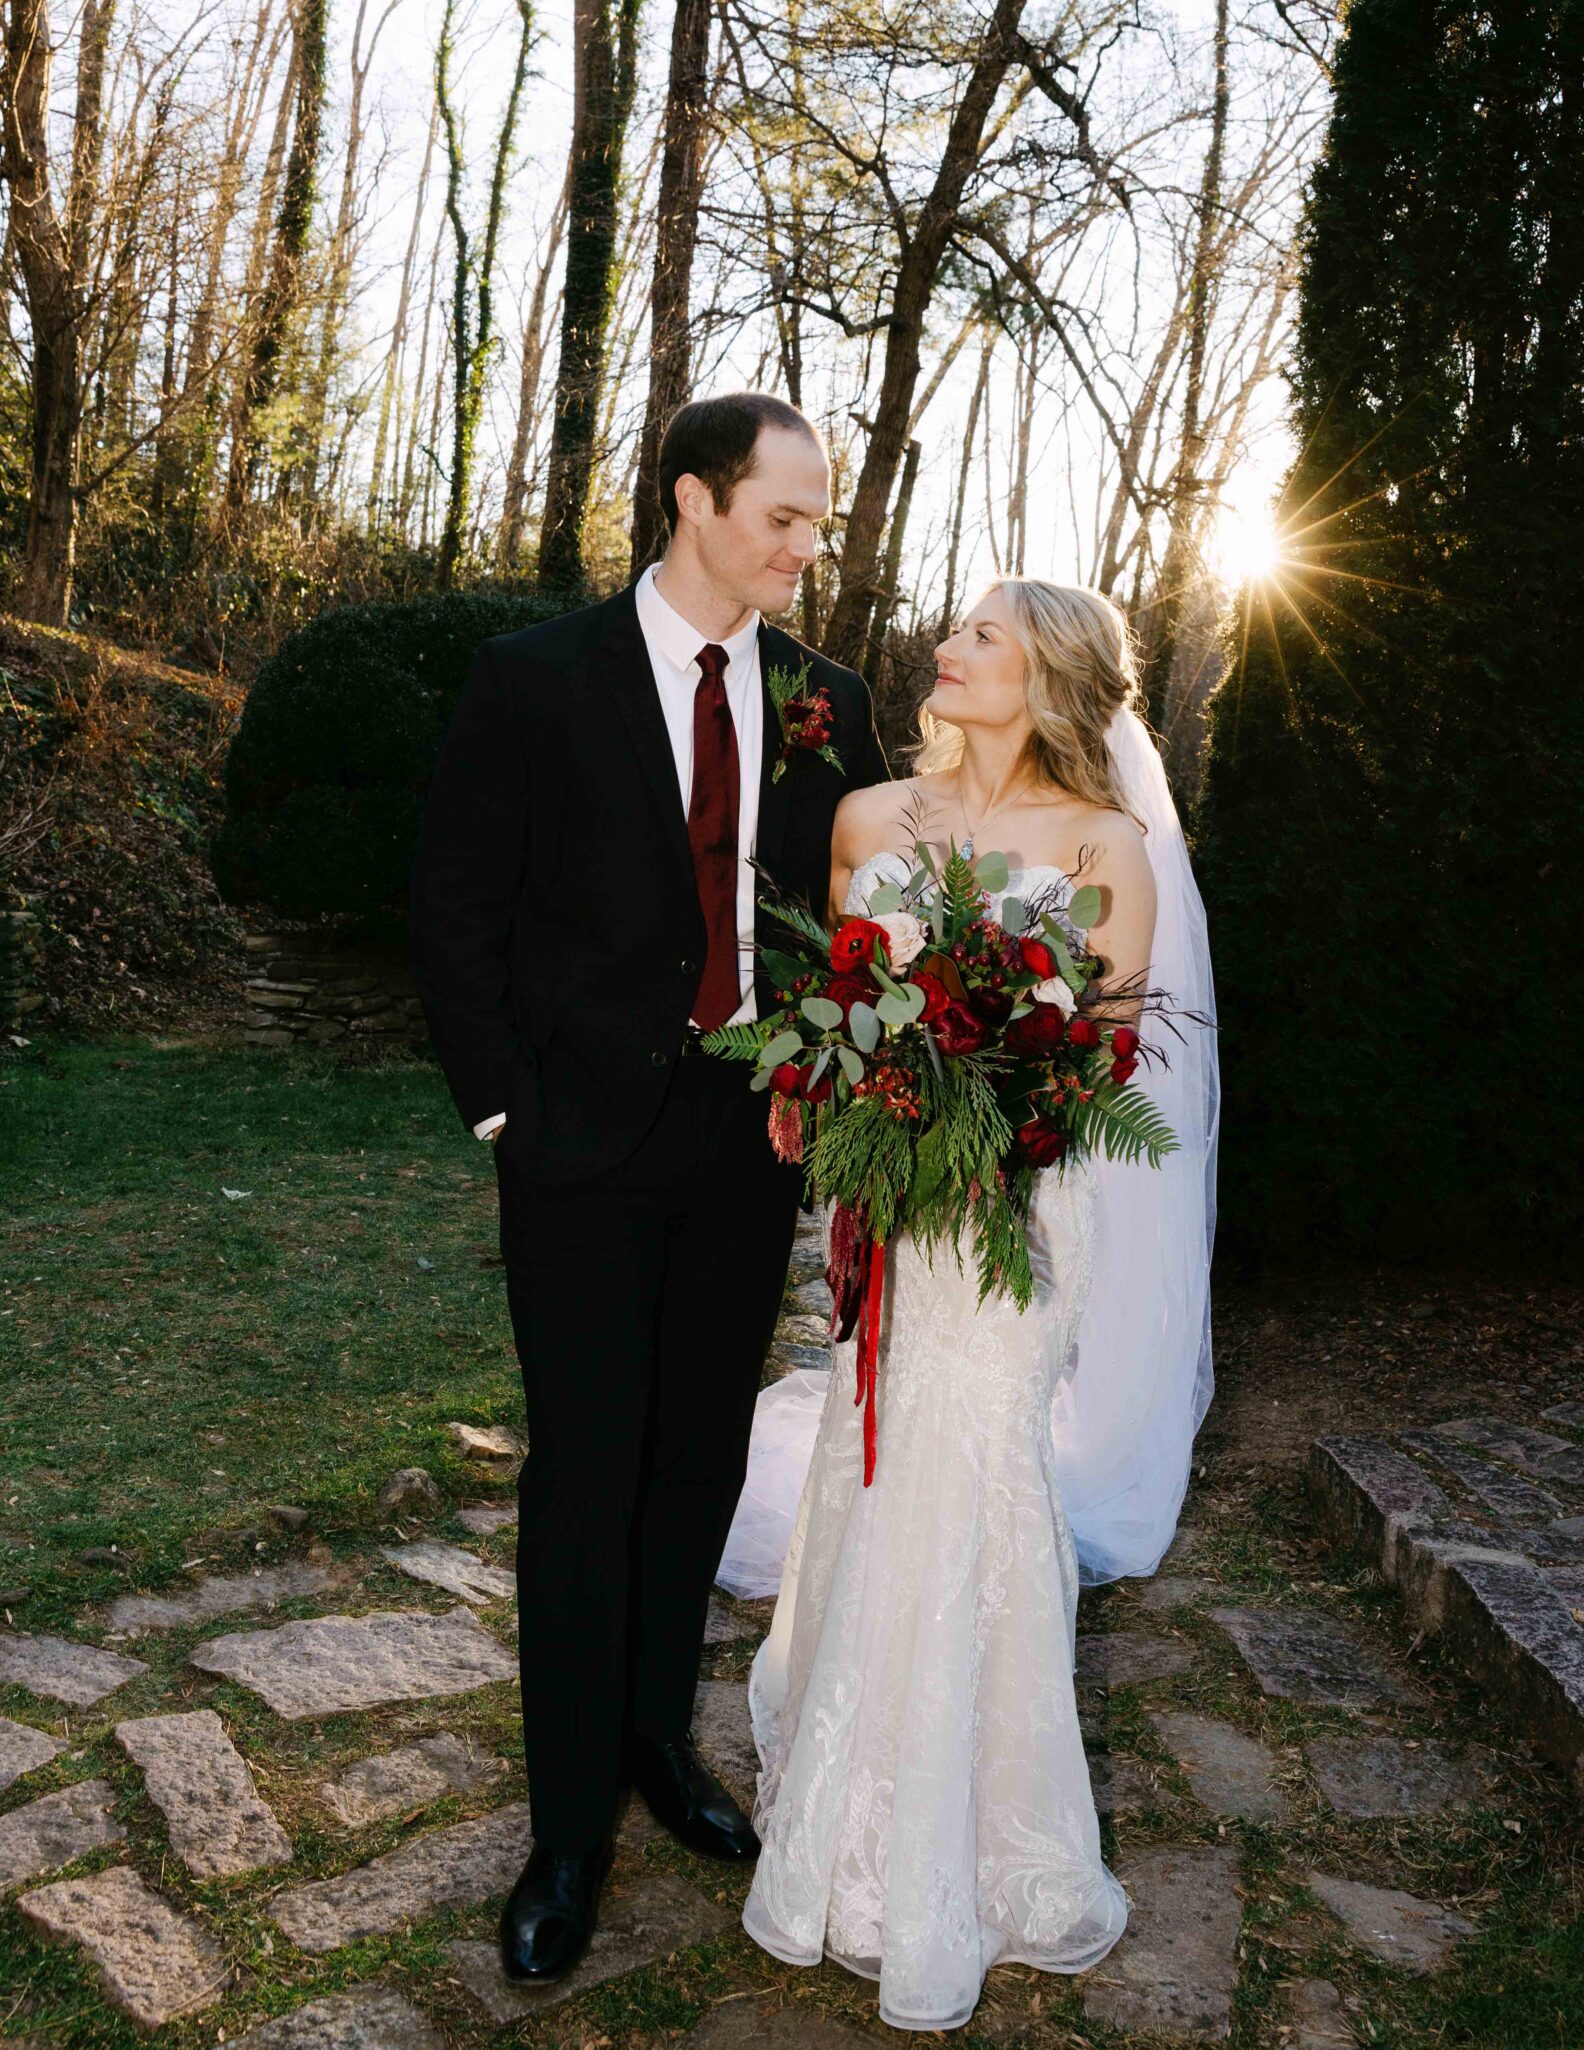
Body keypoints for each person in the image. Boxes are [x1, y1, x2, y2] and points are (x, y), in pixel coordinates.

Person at [408, 392, 888, 1984]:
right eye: (787, 517)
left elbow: (853, 928)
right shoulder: (534, 681)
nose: (810, 547)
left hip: (750, 1150)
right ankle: (564, 1835)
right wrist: (504, 1115)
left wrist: (833, 1085)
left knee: (693, 1470)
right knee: (584, 1478)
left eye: (819, 521)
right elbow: (457, 911)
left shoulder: (828, 702)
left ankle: (655, 1751)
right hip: (578, 1153)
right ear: (695, 501)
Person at [732, 577, 1219, 2032]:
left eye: (983, 635)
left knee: (976, 1468)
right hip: (890, 1206)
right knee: (869, 1457)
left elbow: (1109, 1054)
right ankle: (850, 1793)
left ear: (1051, 675)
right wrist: (852, 1098)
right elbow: (830, 1008)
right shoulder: (872, 823)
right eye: (955, 630)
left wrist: (995, 1113)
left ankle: (970, 1838)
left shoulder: (1102, 843)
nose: (947, 649)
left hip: (1017, 1219)